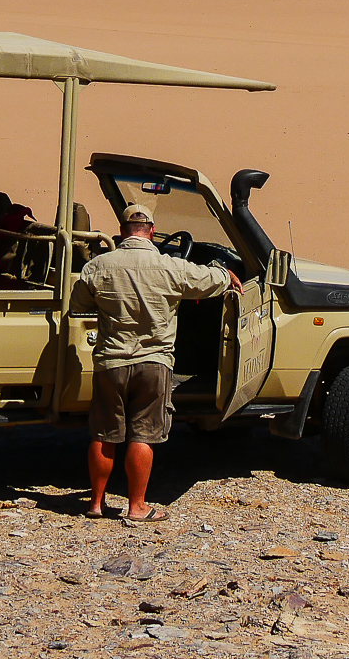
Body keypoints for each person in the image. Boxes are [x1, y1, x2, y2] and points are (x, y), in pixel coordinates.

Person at [71, 202, 241, 521]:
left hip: (111, 361)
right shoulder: (171, 267)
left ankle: (95, 504)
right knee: (143, 435)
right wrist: (226, 273)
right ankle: (137, 507)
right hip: (154, 363)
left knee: (103, 433)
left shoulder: (98, 267)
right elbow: (209, 280)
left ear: (122, 232)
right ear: (151, 230)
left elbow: (79, 302)